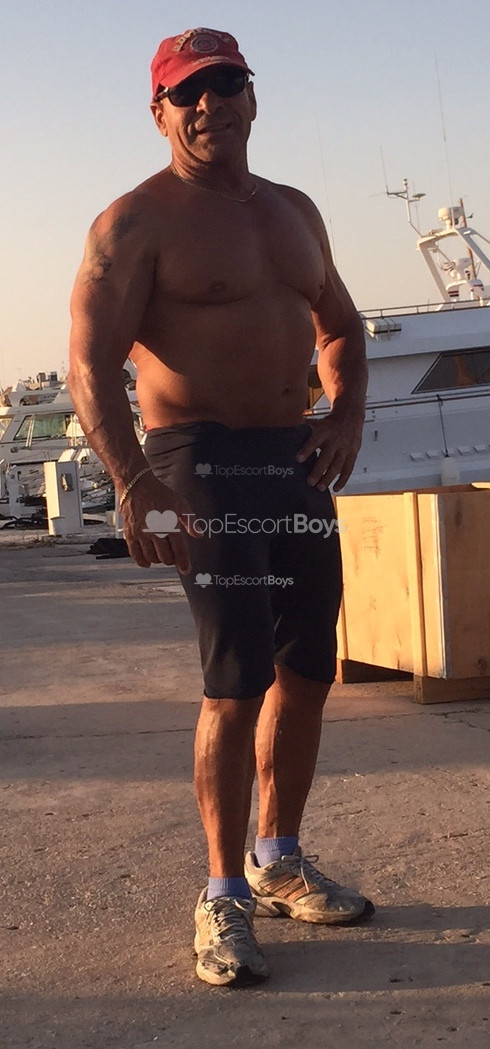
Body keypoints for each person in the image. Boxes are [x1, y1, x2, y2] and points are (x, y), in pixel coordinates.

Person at [68, 26, 372, 988]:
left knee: (308, 669)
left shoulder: (295, 212)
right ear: (159, 111)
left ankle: (278, 858)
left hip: (292, 459)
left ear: (252, 96)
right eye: (189, 91)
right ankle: (222, 894)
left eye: (228, 83)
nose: (212, 104)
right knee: (236, 680)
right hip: (197, 461)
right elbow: (89, 364)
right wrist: (133, 480)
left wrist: (345, 416)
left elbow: (342, 326)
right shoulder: (134, 223)